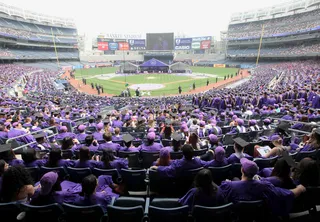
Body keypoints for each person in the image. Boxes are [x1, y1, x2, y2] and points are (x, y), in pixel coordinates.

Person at [219, 158, 306, 216]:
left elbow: (220, 197)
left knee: (235, 179)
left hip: (237, 214)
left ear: (242, 170)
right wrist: (300, 188)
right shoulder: (264, 186)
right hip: (258, 215)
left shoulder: (229, 186)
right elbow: (284, 193)